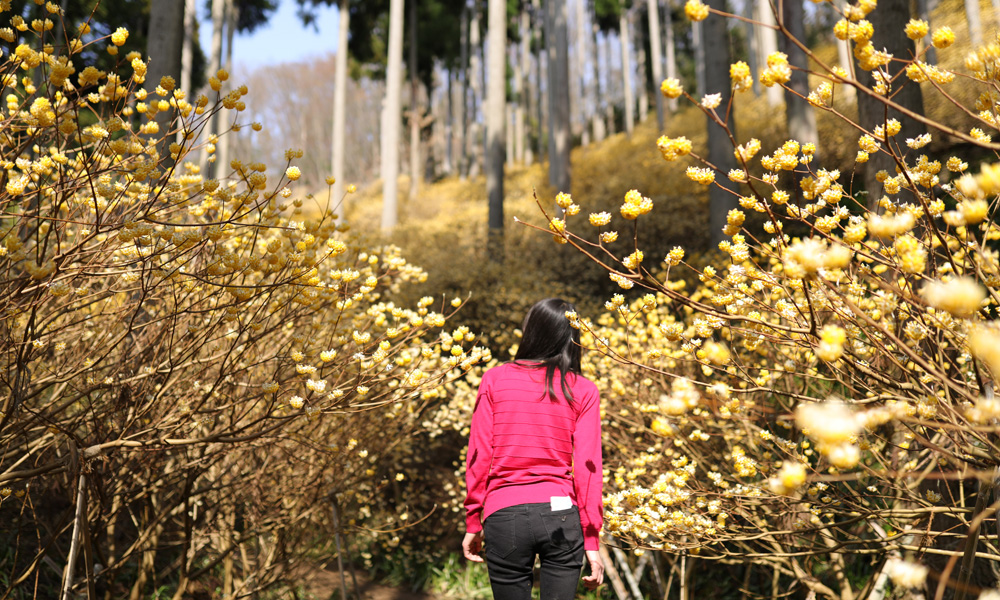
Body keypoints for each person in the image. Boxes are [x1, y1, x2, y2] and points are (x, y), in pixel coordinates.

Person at [462, 298, 604, 600]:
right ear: (572, 336)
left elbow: (478, 455)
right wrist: (592, 540)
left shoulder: (495, 379)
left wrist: (473, 520)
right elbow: (588, 469)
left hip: (504, 514)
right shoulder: (583, 389)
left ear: (531, 331)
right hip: (561, 515)